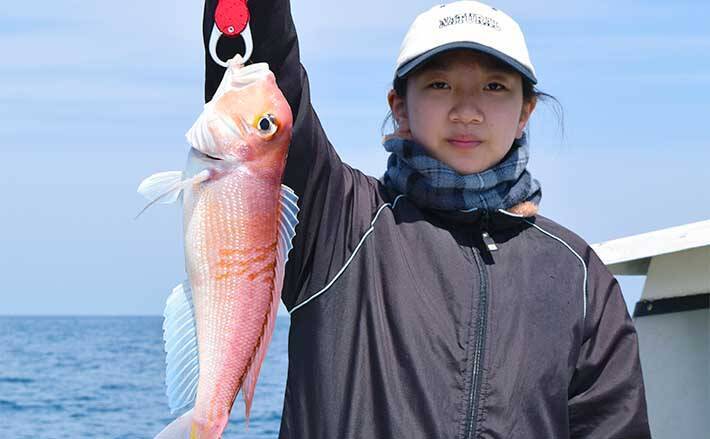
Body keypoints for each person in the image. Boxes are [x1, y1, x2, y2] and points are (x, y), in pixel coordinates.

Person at [202, 1, 651, 437]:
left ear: (525, 112)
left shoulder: (579, 277)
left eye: (495, 87)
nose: (467, 111)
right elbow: (261, 85)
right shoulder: (339, 221)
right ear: (400, 106)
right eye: (440, 84)